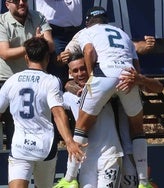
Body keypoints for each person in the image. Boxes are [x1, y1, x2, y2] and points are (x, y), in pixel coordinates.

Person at [56, 6, 154, 188]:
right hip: (128, 76)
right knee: (138, 129)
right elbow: (135, 63)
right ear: (106, 20)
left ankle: (69, 179)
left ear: (87, 22)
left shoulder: (87, 32)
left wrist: (92, 74)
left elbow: (89, 52)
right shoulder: (122, 33)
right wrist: (137, 82)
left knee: (81, 128)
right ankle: (143, 182)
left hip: (104, 74)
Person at [0, 37, 85, 188]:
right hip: (45, 147)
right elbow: (58, 113)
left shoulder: (11, 80)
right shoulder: (51, 81)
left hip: (21, 147)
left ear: (26, 57)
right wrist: (69, 141)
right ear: (47, 58)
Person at [55, 53, 124, 188]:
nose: (80, 73)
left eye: (83, 68)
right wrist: (69, 85)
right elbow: (53, 102)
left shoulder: (105, 88)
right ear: (70, 73)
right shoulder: (68, 97)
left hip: (109, 155)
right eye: (75, 70)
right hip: (85, 159)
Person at [0, 0, 54, 149]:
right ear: (7, 4)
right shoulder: (1, 21)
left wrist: (35, 43)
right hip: (7, 79)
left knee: (35, 120)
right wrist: (34, 43)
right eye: (16, 1)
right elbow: (5, 53)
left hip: (35, 78)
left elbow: (50, 45)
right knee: (11, 123)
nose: (22, 3)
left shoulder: (39, 16)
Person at [34, 0, 82, 87]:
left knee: (80, 70)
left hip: (76, 29)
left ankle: (78, 98)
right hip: (53, 30)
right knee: (57, 74)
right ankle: (57, 98)